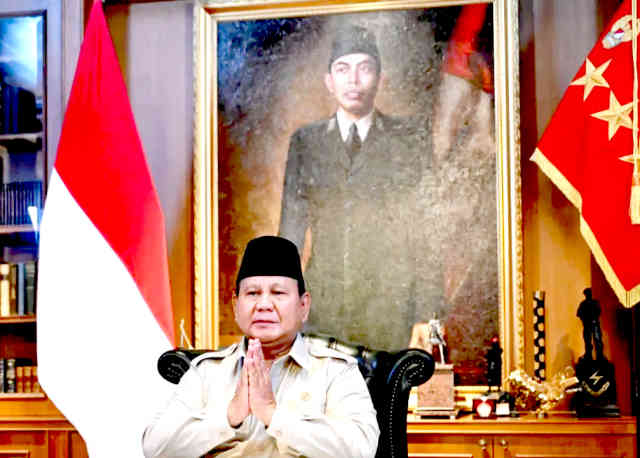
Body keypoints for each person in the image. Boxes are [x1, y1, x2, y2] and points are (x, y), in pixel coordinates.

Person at [142, 235, 379, 457]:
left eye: (278, 293)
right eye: (253, 293)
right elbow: (156, 448)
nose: (264, 304)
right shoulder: (207, 371)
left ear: (303, 306)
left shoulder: (335, 371)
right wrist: (230, 416)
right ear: (236, 305)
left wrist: (272, 414)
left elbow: (361, 450)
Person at [279, 24, 432, 351]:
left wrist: (427, 314)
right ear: (329, 81)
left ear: (380, 78)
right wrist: (282, 309)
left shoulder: (409, 140)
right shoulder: (306, 143)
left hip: (390, 313)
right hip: (323, 312)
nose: (354, 80)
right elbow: (289, 235)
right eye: (343, 69)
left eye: (365, 68)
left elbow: (426, 232)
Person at [576, 287, 604, 360]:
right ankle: (589, 355)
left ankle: (599, 356)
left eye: (589, 293)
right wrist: (584, 319)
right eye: (587, 294)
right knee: (588, 341)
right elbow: (578, 313)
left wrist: (592, 318)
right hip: (588, 325)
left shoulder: (594, 303)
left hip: (594, 325)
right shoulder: (583, 304)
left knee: (597, 341)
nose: (588, 295)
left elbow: (599, 311)